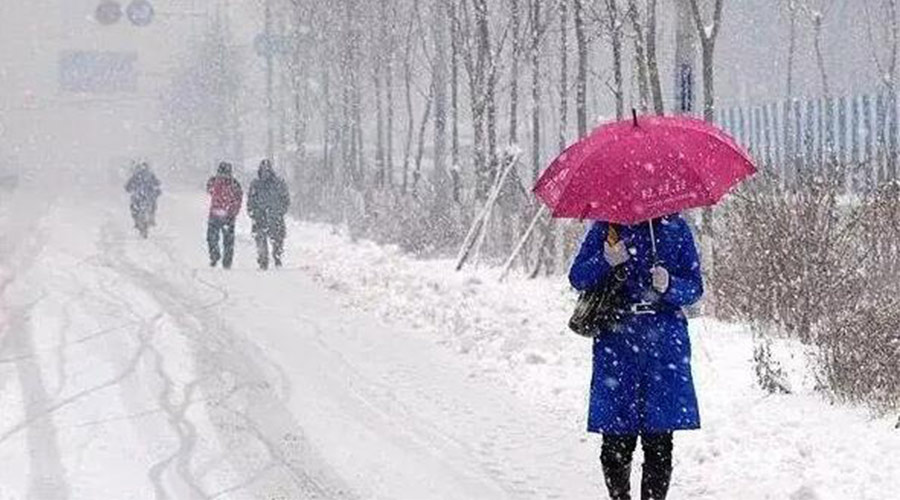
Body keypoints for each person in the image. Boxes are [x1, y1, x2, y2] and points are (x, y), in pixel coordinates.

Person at [569, 215, 703, 500]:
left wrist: (669, 285)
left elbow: (694, 287)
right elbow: (577, 276)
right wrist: (606, 261)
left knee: (660, 441)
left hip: (664, 346)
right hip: (617, 343)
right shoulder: (607, 228)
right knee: (616, 441)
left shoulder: (675, 228)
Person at [247, 159, 291, 270]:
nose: (265, 173)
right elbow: (251, 200)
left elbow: (285, 199)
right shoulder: (257, 184)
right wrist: (252, 211)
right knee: (266, 239)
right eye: (263, 170)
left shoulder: (277, 183)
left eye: (266, 170)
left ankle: (274, 258)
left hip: (271, 215)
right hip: (264, 216)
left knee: (275, 239)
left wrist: (280, 211)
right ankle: (265, 259)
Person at [206, 162, 243, 269]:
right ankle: (227, 262)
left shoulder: (214, 181)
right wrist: (234, 211)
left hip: (215, 213)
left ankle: (214, 254)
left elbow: (209, 190)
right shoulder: (234, 184)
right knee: (228, 240)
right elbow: (238, 199)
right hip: (229, 215)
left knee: (212, 237)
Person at [125, 162, 161, 232]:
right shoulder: (151, 175)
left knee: (134, 208)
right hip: (149, 197)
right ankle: (151, 218)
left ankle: (137, 222)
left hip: (138, 197)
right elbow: (157, 184)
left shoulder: (135, 176)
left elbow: (128, 187)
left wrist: (130, 189)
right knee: (153, 206)